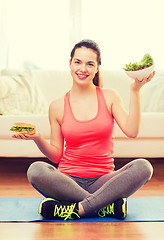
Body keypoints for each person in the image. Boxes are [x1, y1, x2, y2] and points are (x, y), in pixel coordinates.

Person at [13, 39, 155, 221]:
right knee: (36, 170)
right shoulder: (57, 106)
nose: (83, 69)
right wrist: (37, 138)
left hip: (104, 182)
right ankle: (106, 206)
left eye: (90, 64)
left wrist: (135, 90)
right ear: (70, 64)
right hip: (68, 182)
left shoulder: (110, 97)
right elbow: (56, 156)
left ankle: (76, 208)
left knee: (143, 167)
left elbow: (132, 131)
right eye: (78, 62)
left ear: (97, 67)